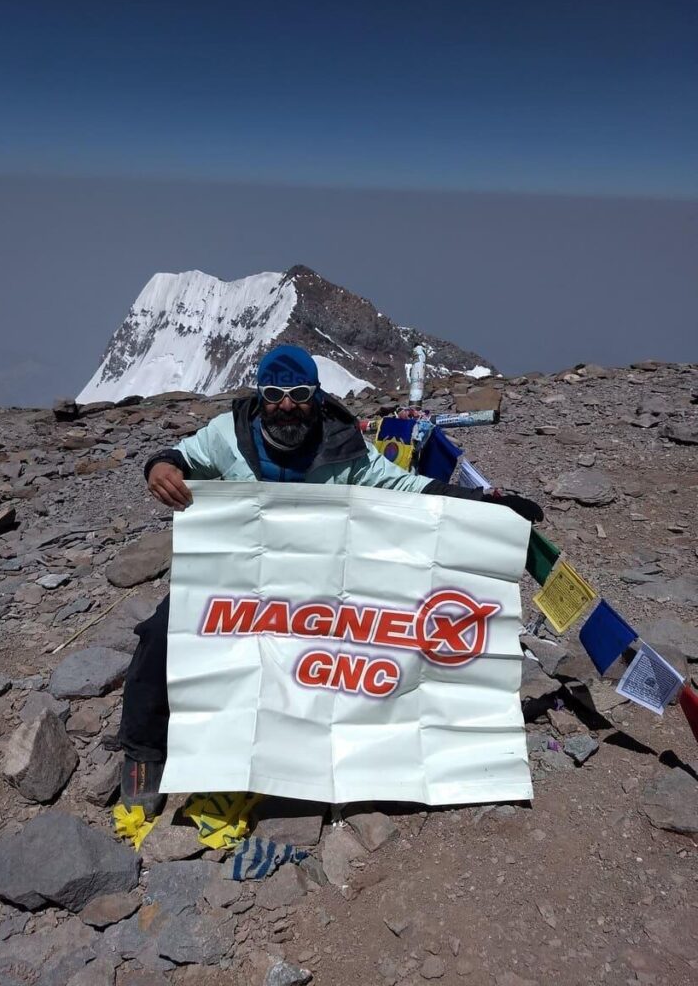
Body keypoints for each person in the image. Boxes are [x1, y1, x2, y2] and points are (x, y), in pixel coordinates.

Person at [118, 344, 542, 816]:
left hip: (312, 585)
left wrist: (485, 504)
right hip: (235, 581)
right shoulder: (227, 435)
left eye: (299, 394)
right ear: (260, 396)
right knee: (163, 633)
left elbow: (404, 486)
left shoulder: (345, 449)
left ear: (316, 396)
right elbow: (178, 457)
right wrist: (160, 467)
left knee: (382, 636)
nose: (286, 404)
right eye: (274, 394)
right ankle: (143, 750)